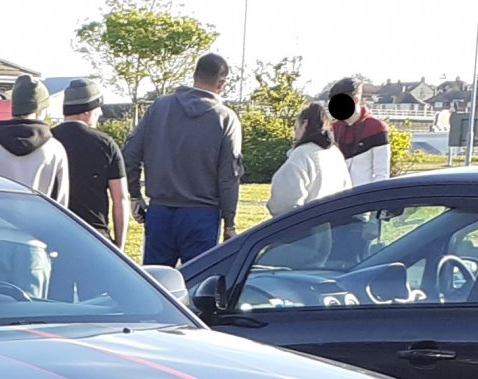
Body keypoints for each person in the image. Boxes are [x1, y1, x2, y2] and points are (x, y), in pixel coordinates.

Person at [123, 53, 243, 266]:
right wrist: (230, 223)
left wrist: (135, 195)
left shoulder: (159, 107)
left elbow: (131, 152)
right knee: (198, 284)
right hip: (202, 214)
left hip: (160, 210)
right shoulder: (226, 118)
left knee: (156, 284)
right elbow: (229, 175)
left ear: (194, 75)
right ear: (221, 84)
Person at [0, 74, 70, 296]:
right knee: (29, 323)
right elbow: (61, 204)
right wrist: (56, 245)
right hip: (34, 245)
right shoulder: (54, 149)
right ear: (42, 109)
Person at [51, 78, 128, 248]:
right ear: (87, 111)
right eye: (98, 108)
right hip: (94, 235)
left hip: (54, 231)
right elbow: (120, 198)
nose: (100, 113)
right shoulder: (105, 144)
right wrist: (119, 246)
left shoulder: (48, 141)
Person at [265, 103, 351, 217]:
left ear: (305, 124)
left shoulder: (301, 155)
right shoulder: (335, 153)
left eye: (295, 128)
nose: (294, 135)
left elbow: (284, 205)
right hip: (334, 224)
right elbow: (346, 191)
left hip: (307, 228)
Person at [329, 77, 391, 185]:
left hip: (365, 197)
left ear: (356, 100)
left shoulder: (377, 127)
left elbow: (381, 174)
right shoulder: (333, 129)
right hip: (337, 197)